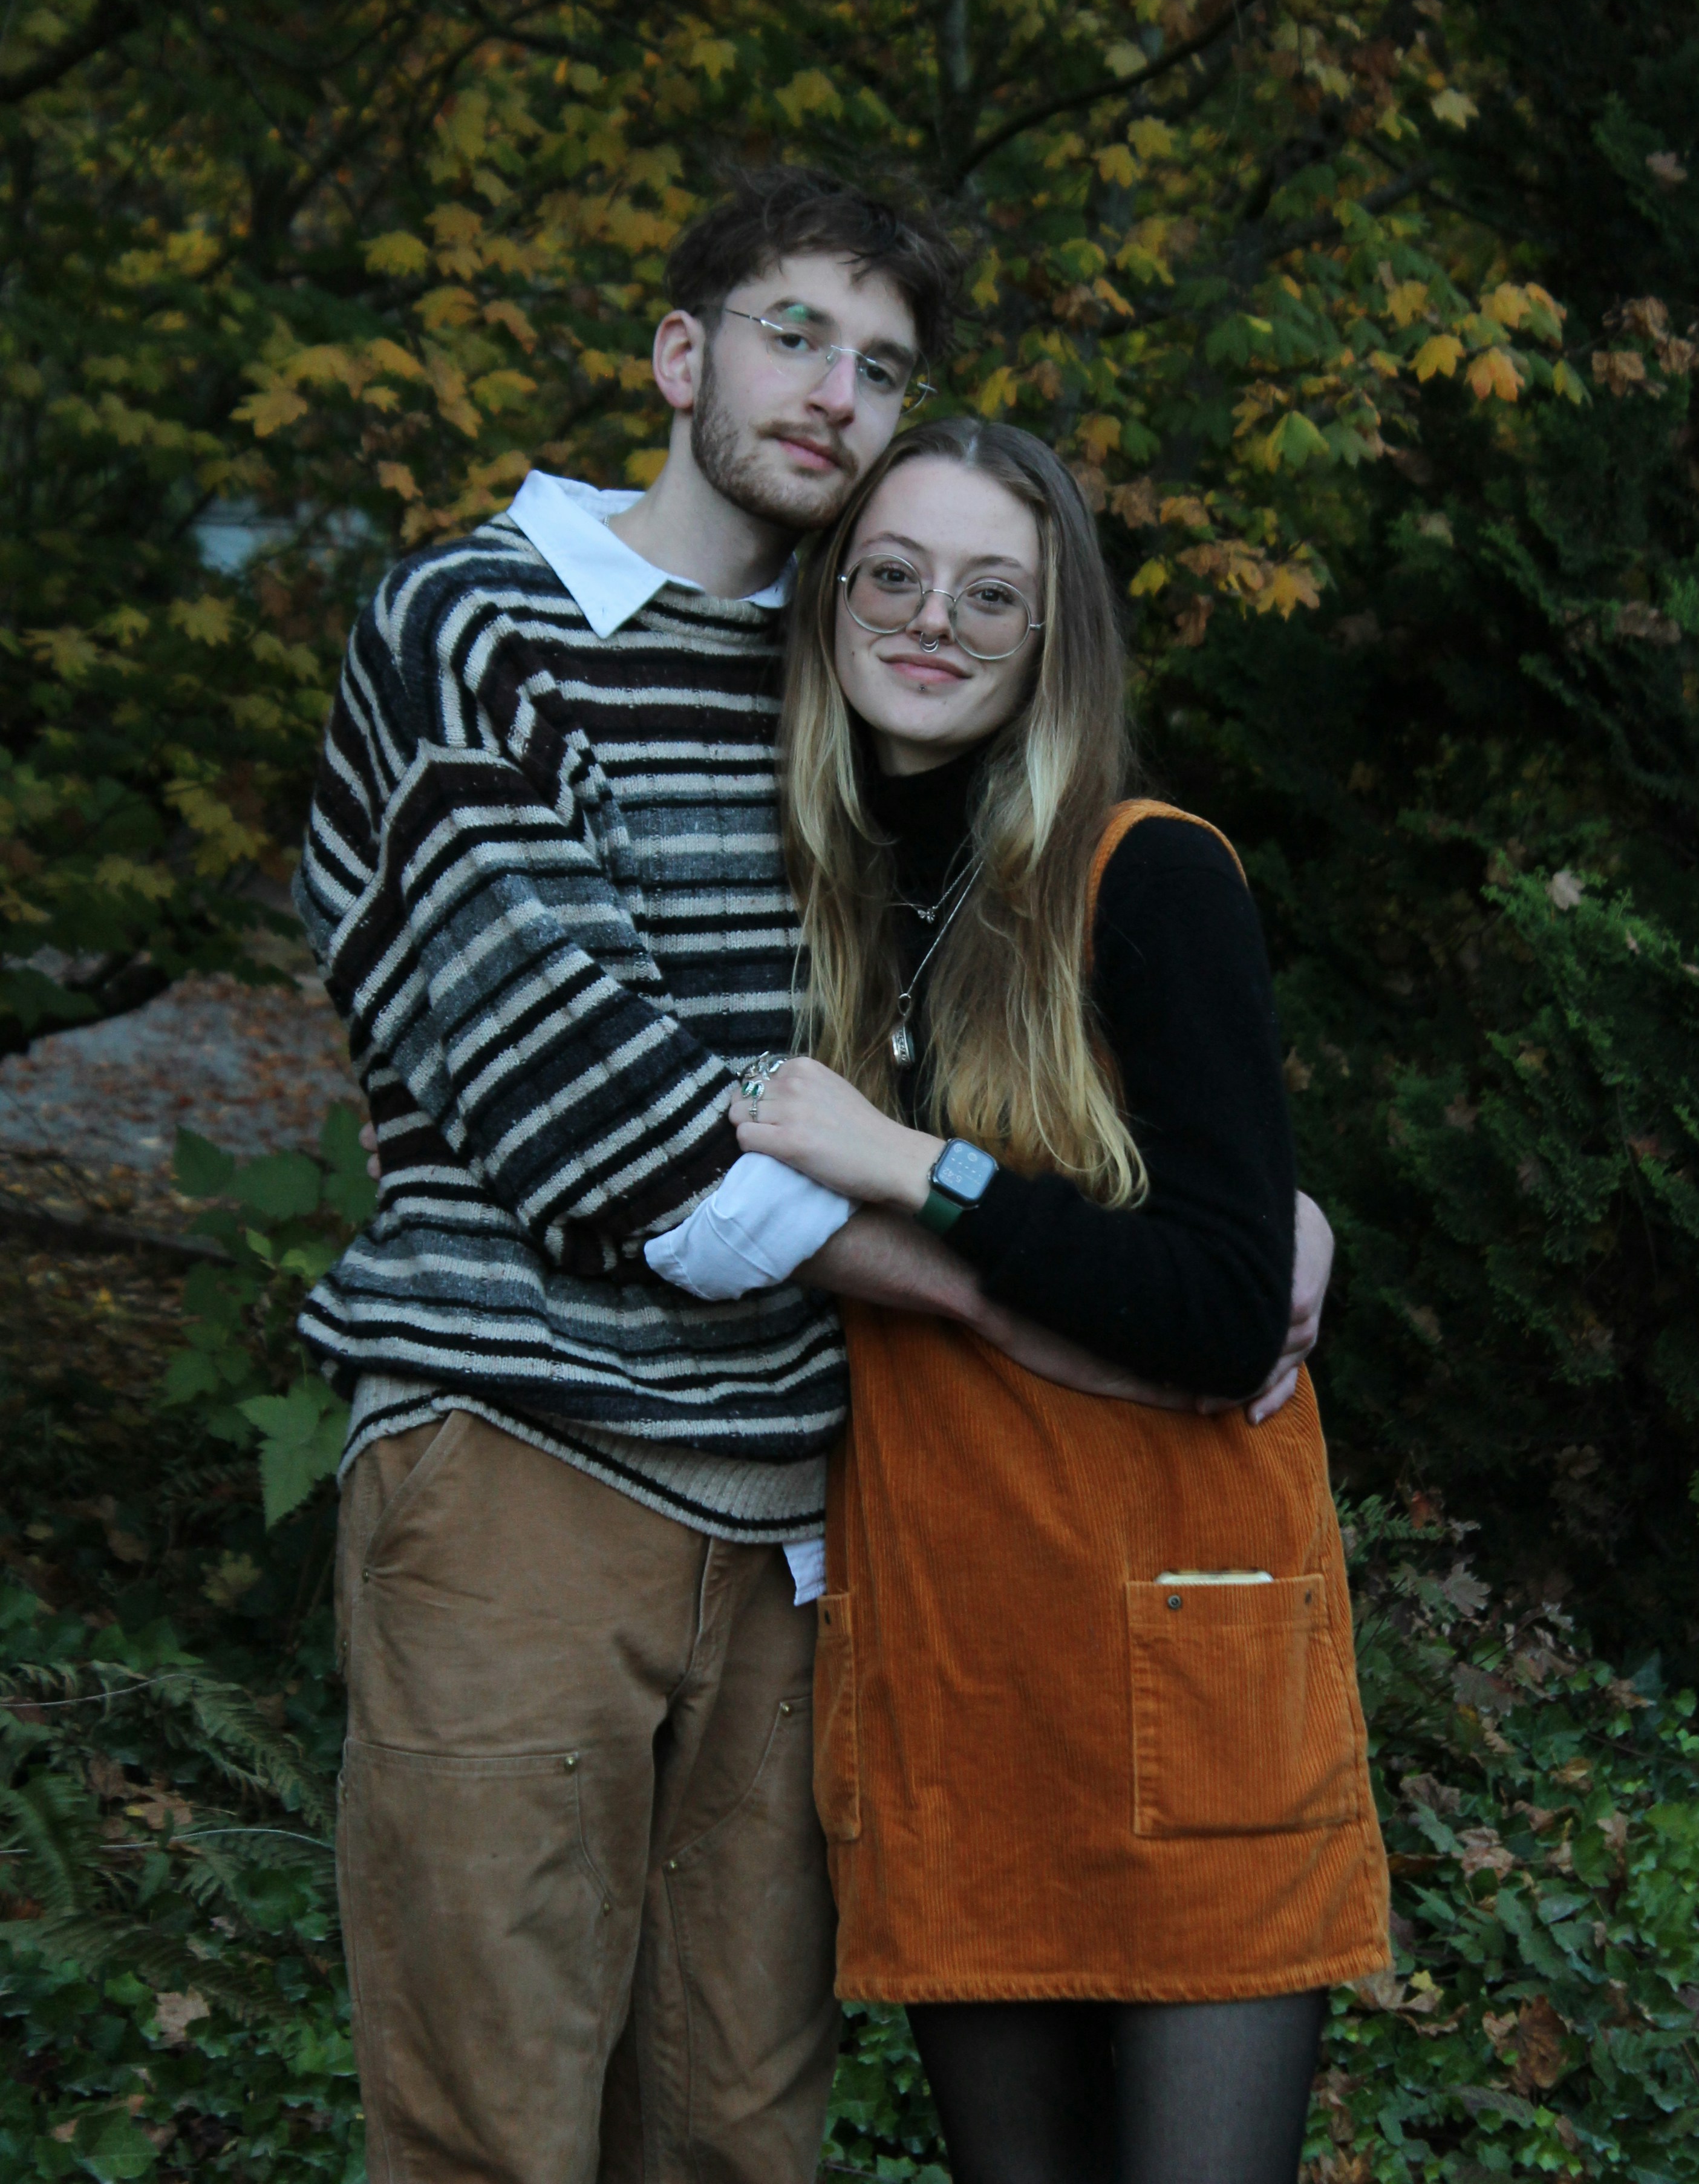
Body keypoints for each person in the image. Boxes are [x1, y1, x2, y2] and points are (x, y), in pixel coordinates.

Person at [296, 165, 1336, 2184]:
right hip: (529, 1465)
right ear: (680, 354)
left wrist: (1260, 1214)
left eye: (884, 363)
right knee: (496, 2123)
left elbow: (1052, 1009)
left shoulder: (836, 694)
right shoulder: (472, 628)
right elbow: (622, 1136)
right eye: (793, 334)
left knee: (739, 2133)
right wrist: (1022, 1292)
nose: (836, 391)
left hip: (804, 1532)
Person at [685, 414, 1391, 2184]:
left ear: (1050, 629)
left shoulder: (1147, 873)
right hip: (965, 1675)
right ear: (829, 600)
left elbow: (1227, 1304)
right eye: (896, 575)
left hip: (1183, 1655)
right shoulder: (814, 897)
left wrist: (916, 1166)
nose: (935, 619)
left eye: (990, 592)